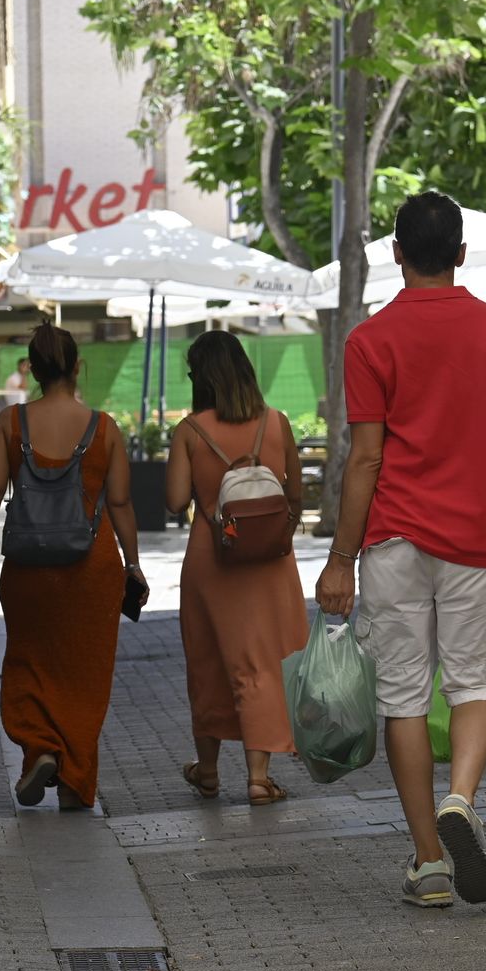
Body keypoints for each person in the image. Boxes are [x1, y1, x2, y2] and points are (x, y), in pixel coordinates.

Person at [314, 190, 486, 908]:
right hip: (477, 540)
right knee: (477, 685)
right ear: (462, 254)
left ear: (396, 255)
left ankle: (428, 863)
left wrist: (341, 559)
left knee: (404, 699)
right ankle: (462, 798)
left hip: (392, 543)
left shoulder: (369, 340)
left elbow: (364, 458)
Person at [0, 322, 146, 811]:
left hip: (28, 569)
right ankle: (73, 782)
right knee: (84, 674)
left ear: (33, 370)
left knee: (29, 660)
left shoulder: (11, 422)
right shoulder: (104, 428)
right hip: (91, 569)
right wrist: (133, 563)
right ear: (76, 366)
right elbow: (121, 503)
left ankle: (41, 746)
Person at [165, 330, 307, 806]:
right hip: (270, 561)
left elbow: (174, 501)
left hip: (212, 559)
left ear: (201, 379)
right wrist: (278, 536)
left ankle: (208, 771)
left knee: (208, 662)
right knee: (262, 663)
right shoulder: (276, 422)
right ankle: (259, 777)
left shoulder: (190, 430)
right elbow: (295, 495)